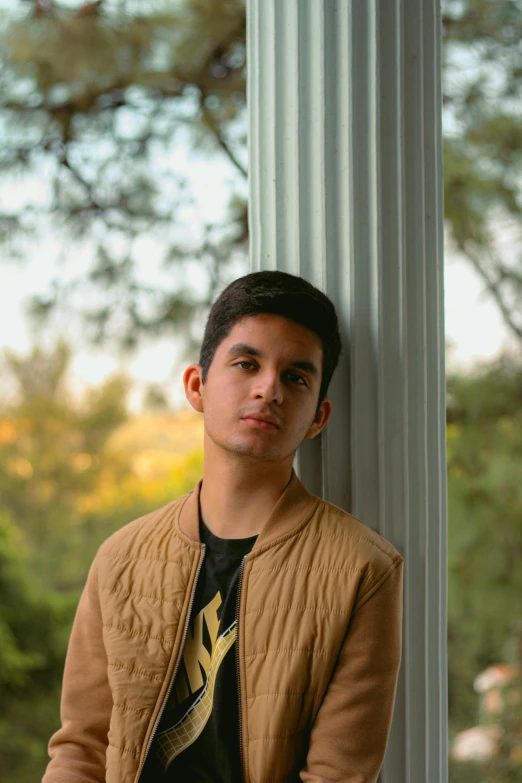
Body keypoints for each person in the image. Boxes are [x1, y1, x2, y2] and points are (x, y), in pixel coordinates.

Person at [43, 270, 404, 783]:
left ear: (318, 416)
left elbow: (337, 775)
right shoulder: (120, 557)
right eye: (246, 363)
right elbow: (80, 749)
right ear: (197, 385)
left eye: (295, 376)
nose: (268, 389)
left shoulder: (363, 570)